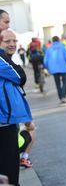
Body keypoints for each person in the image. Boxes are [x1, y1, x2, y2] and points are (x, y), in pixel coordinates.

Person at [0, 27, 33, 186]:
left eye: (14, 41)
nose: (12, 44)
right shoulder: (1, 59)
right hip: (4, 122)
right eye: (7, 41)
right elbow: (20, 76)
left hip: (9, 121)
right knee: (9, 175)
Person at [44, 36, 66, 104]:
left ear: (52, 41)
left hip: (54, 69)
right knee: (65, 82)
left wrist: (48, 68)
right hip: (63, 67)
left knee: (57, 84)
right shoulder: (63, 47)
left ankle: (60, 97)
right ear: (59, 40)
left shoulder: (49, 49)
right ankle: (63, 96)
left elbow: (46, 60)